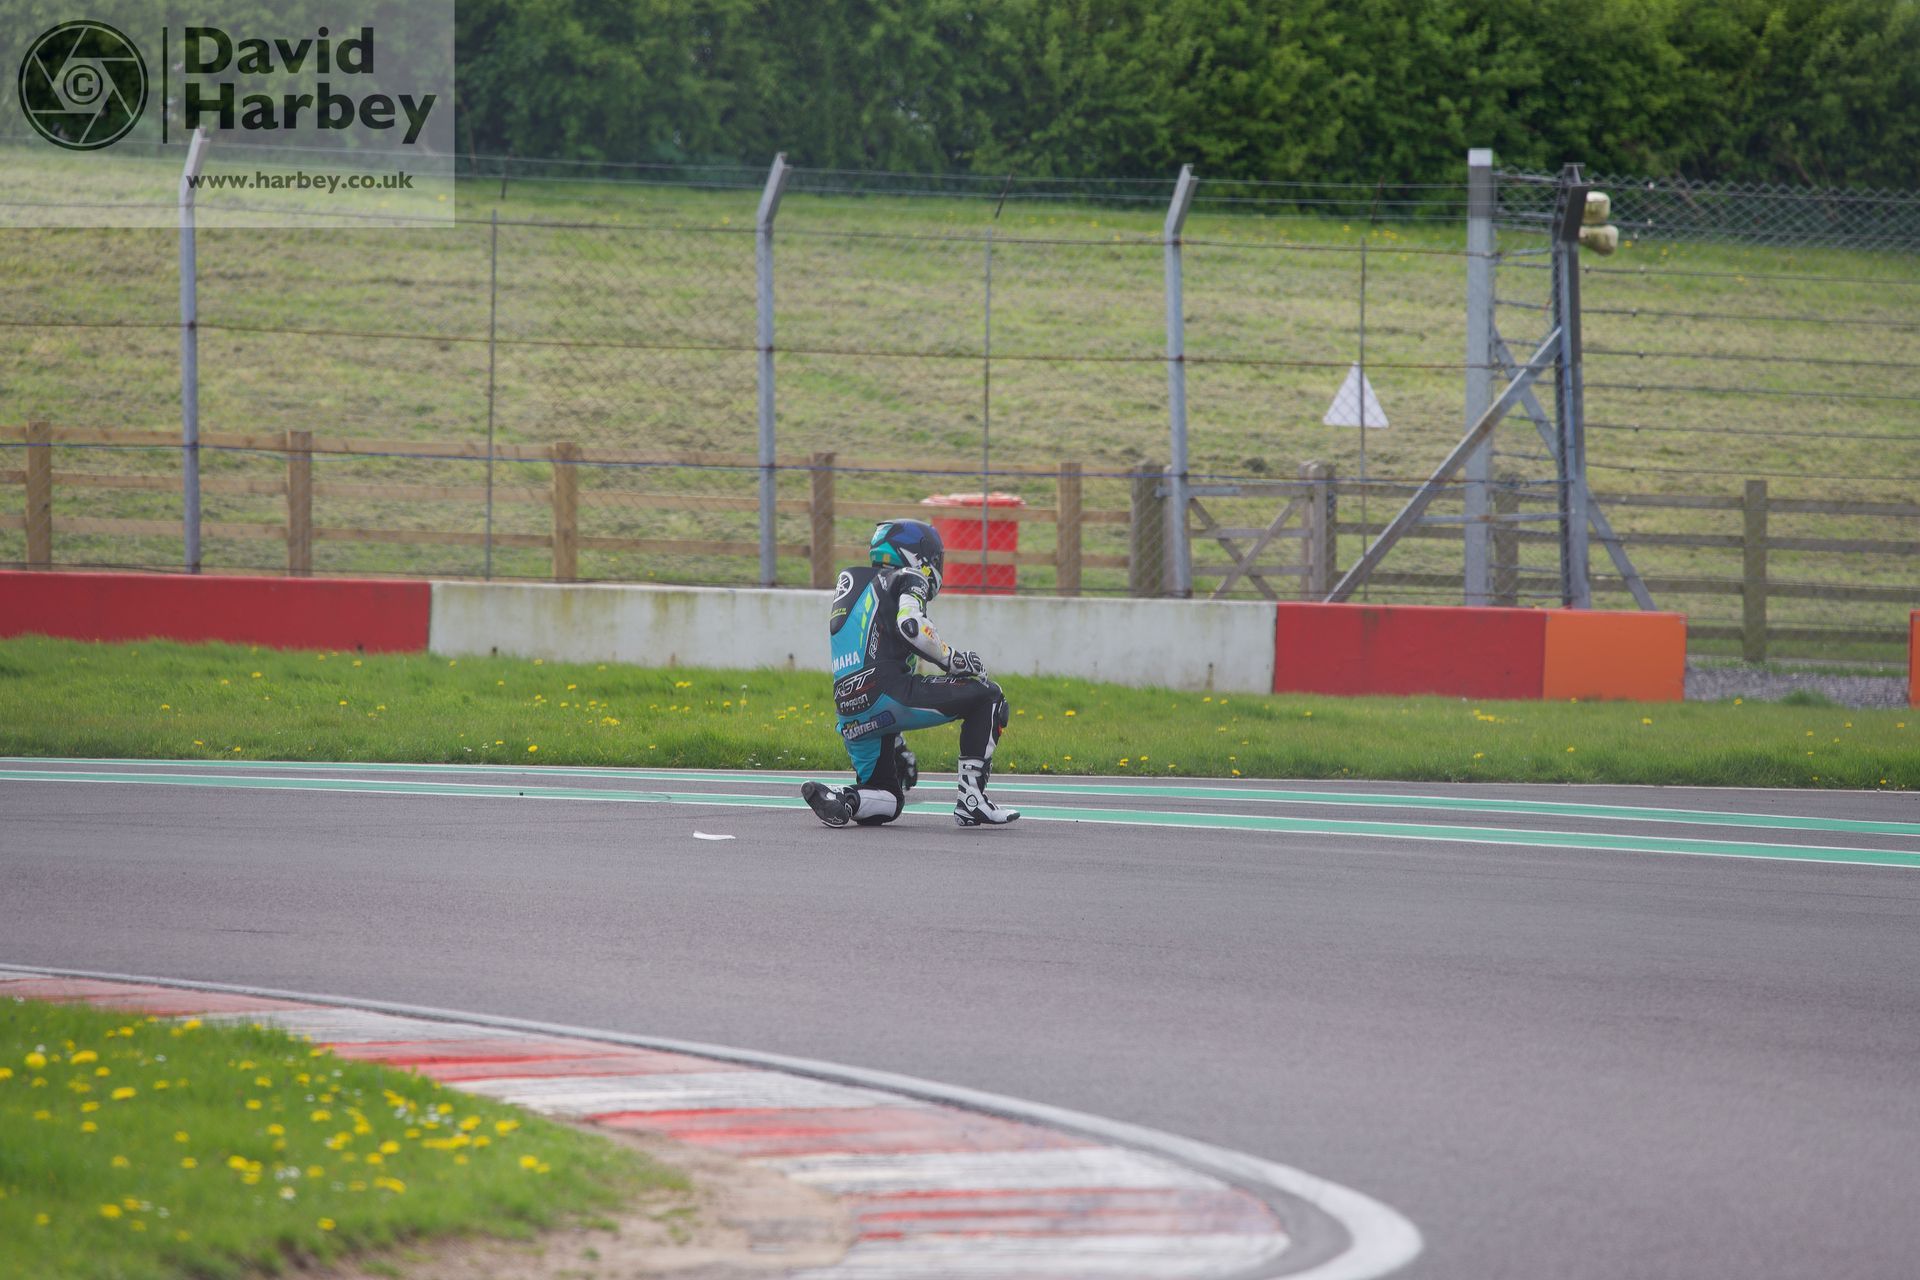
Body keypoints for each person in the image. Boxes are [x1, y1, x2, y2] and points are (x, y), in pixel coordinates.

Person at [801, 518, 1019, 828]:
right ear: (917, 555)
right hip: (888, 696)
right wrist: (954, 659)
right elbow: (911, 627)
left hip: (850, 714)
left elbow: (868, 652)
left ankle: (842, 798)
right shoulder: (909, 576)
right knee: (989, 696)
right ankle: (973, 801)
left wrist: (897, 743)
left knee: (888, 799)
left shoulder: (850, 581)